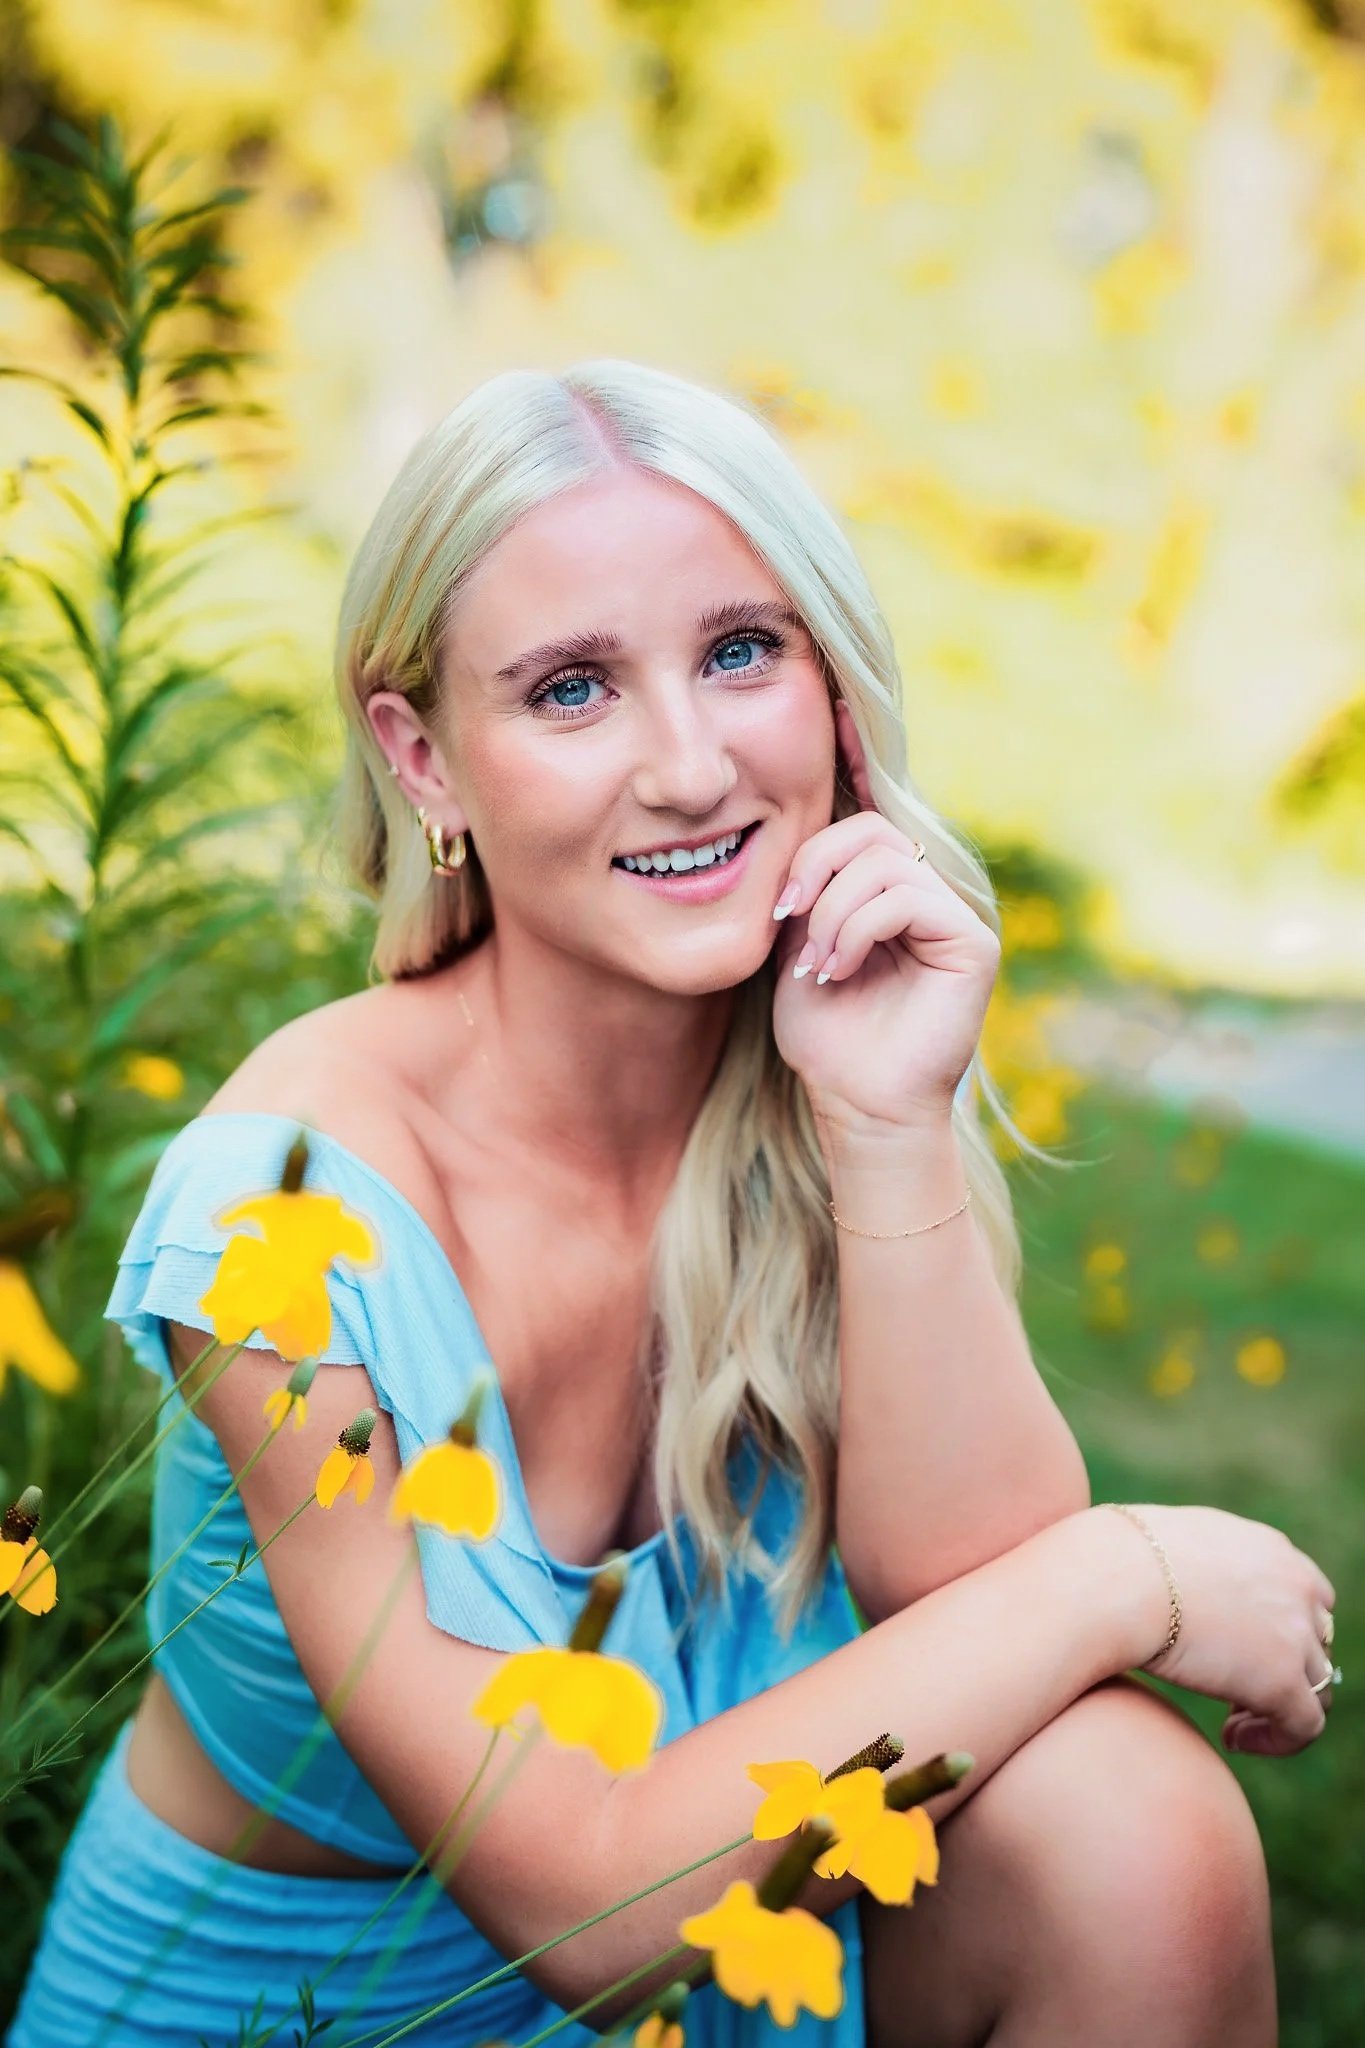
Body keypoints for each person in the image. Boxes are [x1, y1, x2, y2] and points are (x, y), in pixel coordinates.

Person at [8, 359, 1336, 2048]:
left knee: (1125, 1818)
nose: (693, 766)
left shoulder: (803, 1079)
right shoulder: (282, 1218)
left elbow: (962, 1599)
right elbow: (575, 1903)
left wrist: (887, 1123)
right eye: (572, 690)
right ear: (421, 758)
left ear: (832, 685)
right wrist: (1124, 1574)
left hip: (721, 1974)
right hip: (310, 2015)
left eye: (737, 651)